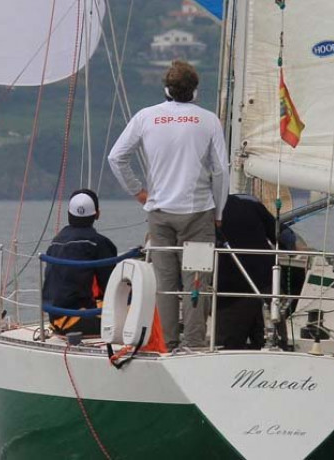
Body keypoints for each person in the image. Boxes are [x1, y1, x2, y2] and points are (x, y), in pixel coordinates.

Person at [108, 60, 229, 350]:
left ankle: (168, 342)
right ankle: (194, 344)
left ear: (166, 89)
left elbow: (116, 158)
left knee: (164, 284)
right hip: (199, 213)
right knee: (196, 283)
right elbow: (221, 170)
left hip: (160, 213)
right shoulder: (209, 119)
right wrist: (220, 211)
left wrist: (138, 192)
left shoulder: (146, 117)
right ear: (195, 91)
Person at [217, 194, 304, 350]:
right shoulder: (249, 205)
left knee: (227, 352)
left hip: (229, 294)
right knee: (276, 348)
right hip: (266, 286)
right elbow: (285, 237)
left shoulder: (200, 213)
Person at [42, 190, 118, 336]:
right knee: (136, 315)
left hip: (55, 317)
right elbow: (111, 287)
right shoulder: (98, 243)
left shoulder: (56, 241)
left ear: (69, 214)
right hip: (77, 320)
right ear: (97, 214)